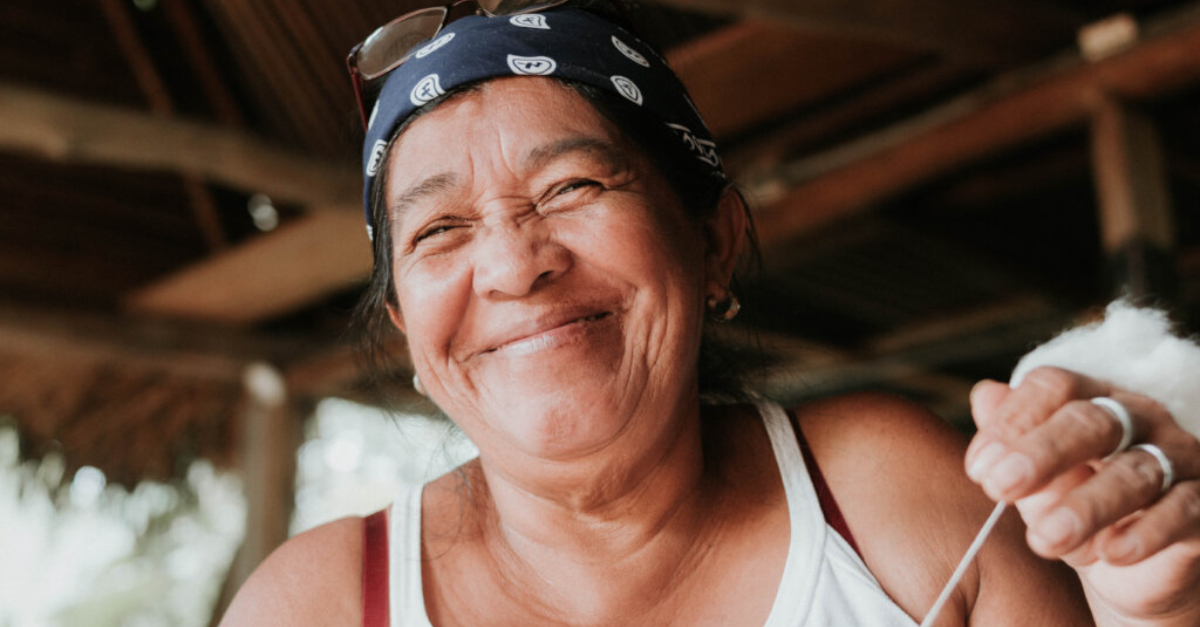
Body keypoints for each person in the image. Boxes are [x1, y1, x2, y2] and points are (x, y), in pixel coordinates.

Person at [220, 3, 1200, 625]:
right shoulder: (319, 608)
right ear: (411, 338)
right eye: (438, 231)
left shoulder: (890, 502)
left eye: (570, 187)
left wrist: (1158, 611)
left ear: (714, 241)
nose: (517, 266)